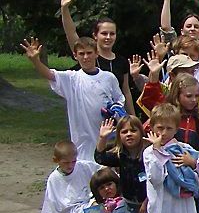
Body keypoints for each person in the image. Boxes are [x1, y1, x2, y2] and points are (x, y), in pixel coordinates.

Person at [22, 37, 125, 169]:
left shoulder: (109, 77)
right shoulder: (72, 79)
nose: (85, 57)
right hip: (82, 145)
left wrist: (115, 111)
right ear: (75, 56)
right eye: (81, 54)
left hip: (107, 142)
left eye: (89, 53)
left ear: (96, 53)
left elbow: (119, 100)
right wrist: (35, 61)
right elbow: (49, 74)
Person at [95, 116, 148, 213]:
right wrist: (103, 138)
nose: (129, 134)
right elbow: (100, 157)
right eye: (124, 132)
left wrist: (146, 202)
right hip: (128, 203)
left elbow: (155, 183)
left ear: (141, 132)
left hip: (149, 203)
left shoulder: (148, 154)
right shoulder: (121, 155)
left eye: (133, 130)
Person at [39, 140, 96, 213]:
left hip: (90, 207)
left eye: (73, 161)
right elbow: (52, 204)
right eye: (66, 162)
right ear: (56, 160)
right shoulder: (54, 179)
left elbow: (102, 171)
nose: (70, 165)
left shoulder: (84, 167)